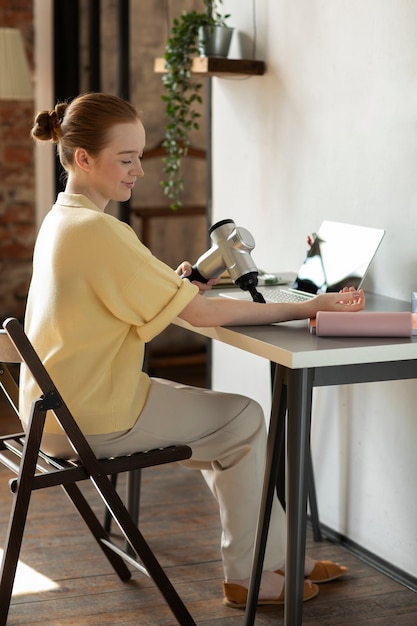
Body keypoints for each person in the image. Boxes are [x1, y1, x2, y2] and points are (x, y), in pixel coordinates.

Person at [21, 92, 364, 608]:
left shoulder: (62, 219)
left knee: (227, 425)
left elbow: (135, 289)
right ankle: (253, 576)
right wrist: (310, 308)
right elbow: (198, 315)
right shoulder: (97, 229)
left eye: (140, 155)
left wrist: (177, 285)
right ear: (84, 158)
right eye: (127, 158)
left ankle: (273, 558)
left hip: (56, 409)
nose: (139, 170)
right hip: (92, 414)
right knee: (242, 420)